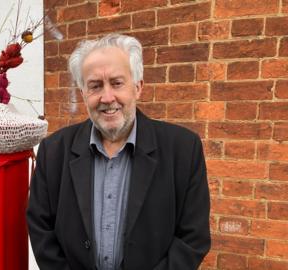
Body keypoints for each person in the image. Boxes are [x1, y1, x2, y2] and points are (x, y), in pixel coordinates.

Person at [27, 34, 211, 270]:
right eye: (95, 86)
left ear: (138, 87)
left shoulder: (183, 149)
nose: (107, 98)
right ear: (83, 94)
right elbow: (41, 229)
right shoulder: (53, 151)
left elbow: (192, 238)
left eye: (116, 83)